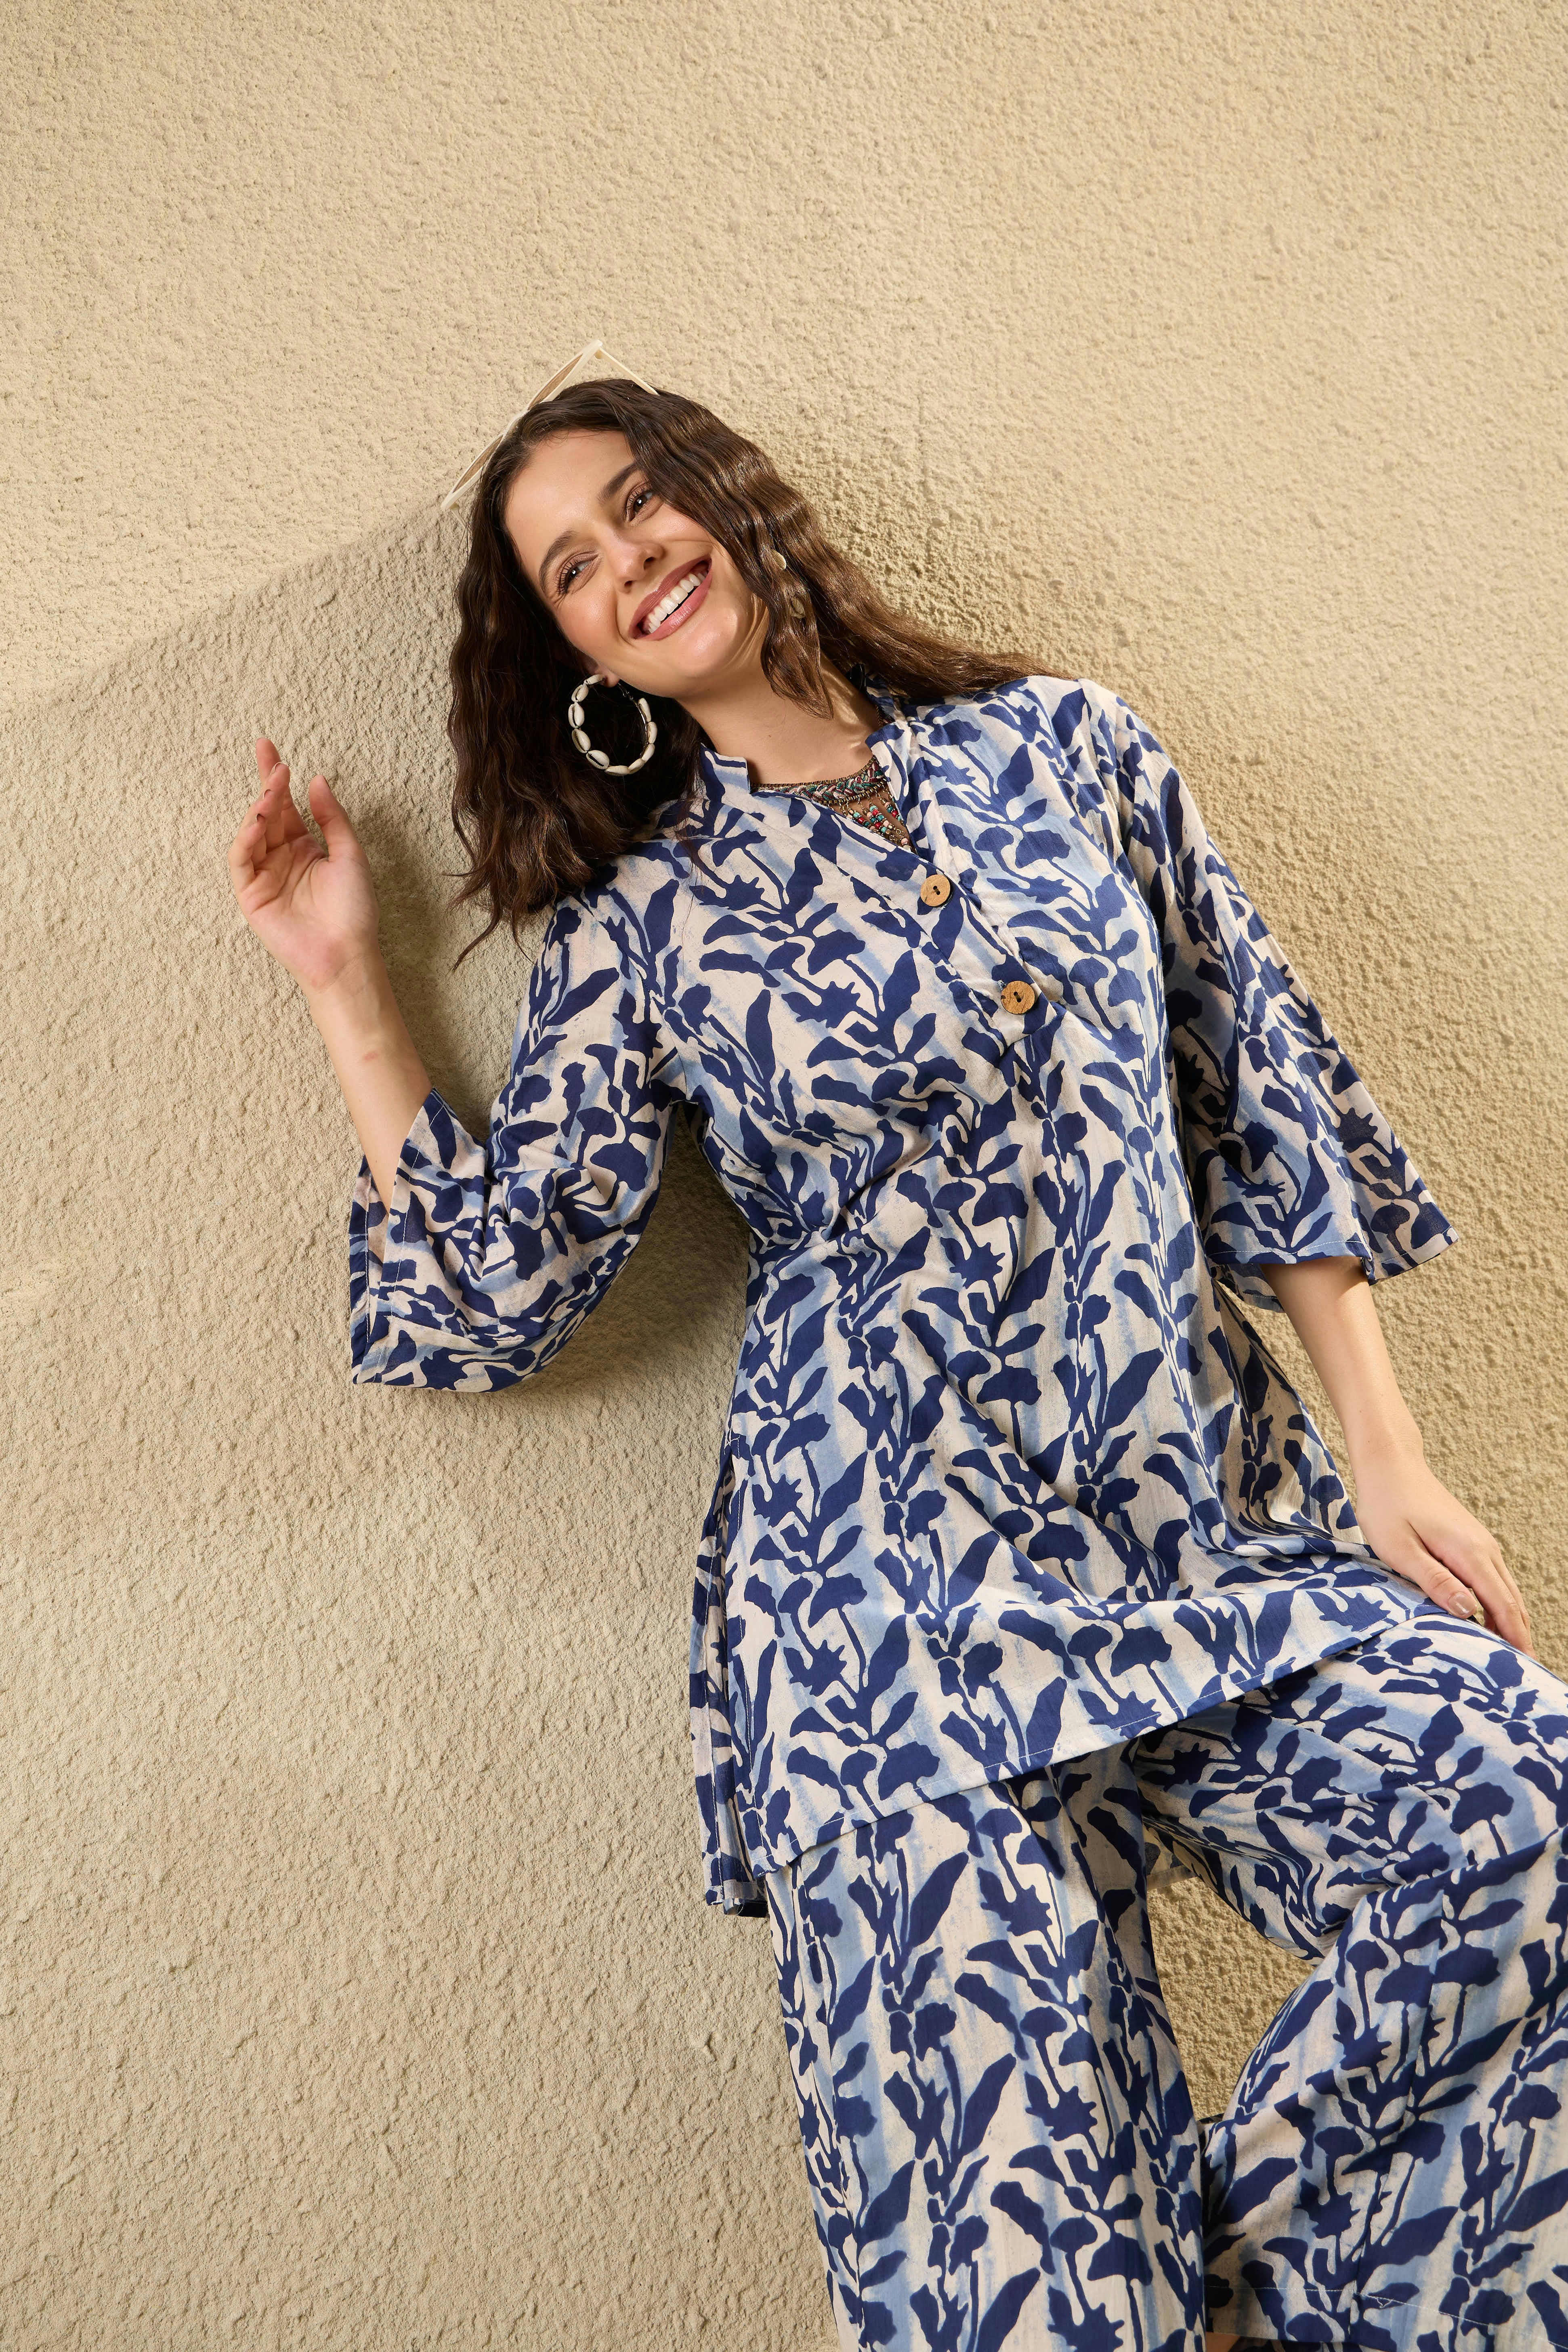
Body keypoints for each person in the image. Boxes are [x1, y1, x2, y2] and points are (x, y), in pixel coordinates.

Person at [226, 368, 1568, 2352]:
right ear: (576, 649)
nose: (626, 566)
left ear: (723, 493)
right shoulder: (644, 921)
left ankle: (1210, 2286)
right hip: (879, 1629)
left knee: (1515, 1822)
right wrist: (350, 983)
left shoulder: (1065, 750)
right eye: (570, 571)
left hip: (1196, 1533)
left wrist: (1385, 1452)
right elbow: (498, 1285)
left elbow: (1254, 1083)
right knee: (1006, 2286)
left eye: (636, 505)